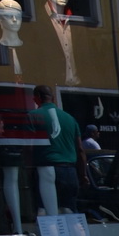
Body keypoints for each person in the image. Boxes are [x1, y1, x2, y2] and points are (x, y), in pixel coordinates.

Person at [32, 84, 84, 215]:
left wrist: (28, 168)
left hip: (46, 168)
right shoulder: (70, 119)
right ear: (53, 98)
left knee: (45, 211)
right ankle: (75, 235)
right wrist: (83, 174)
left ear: (37, 97)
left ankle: (50, 235)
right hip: (70, 170)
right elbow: (80, 149)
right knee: (69, 211)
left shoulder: (33, 116)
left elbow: (28, 146)